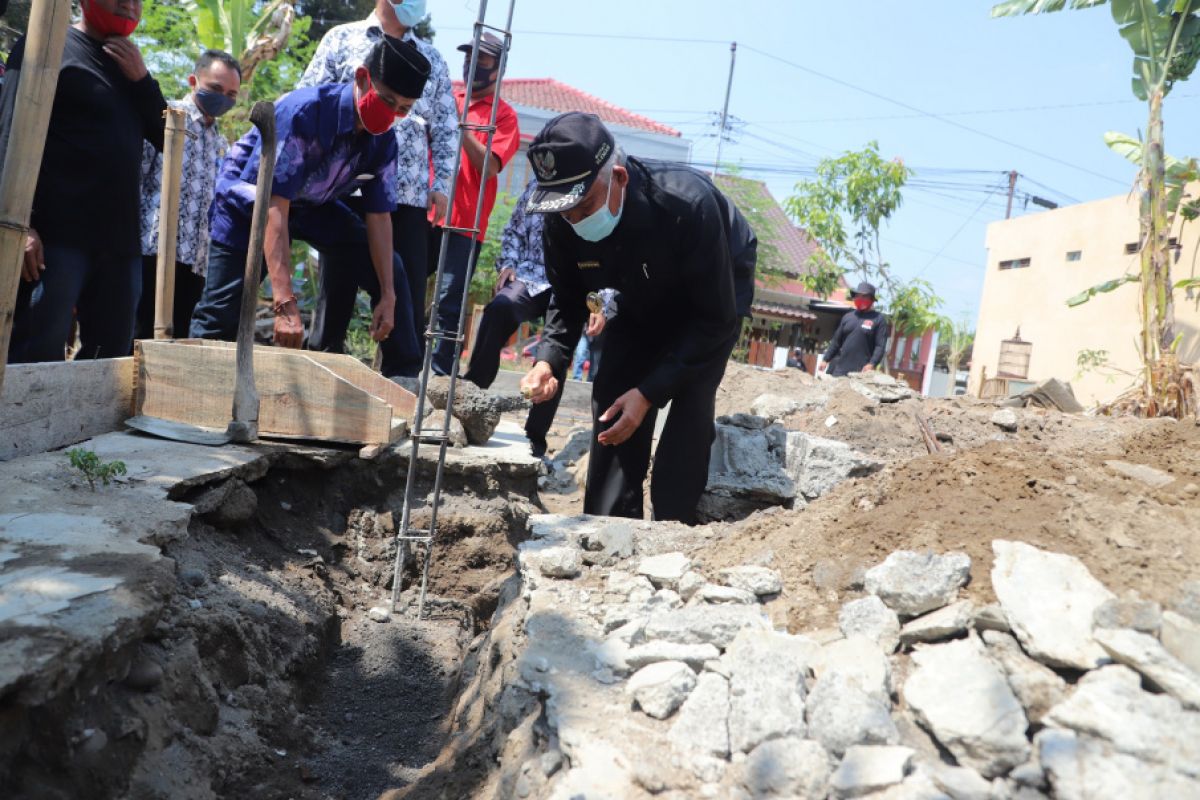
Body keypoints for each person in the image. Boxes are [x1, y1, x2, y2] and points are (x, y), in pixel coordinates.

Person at [519, 113, 757, 524]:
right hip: (640, 292)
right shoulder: (562, 219)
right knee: (612, 395)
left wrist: (648, 394)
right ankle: (607, 526)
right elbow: (568, 297)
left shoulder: (686, 204)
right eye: (565, 211)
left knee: (691, 398)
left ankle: (673, 524)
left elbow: (713, 322)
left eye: (584, 205)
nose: (574, 219)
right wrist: (548, 359)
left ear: (619, 179)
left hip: (712, 292)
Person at [190, 36, 429, 379]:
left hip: (314, 205)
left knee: (389, 265)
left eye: (403, 109)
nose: (392, 114)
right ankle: (195, 383)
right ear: (362, 79)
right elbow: (274, 207)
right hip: (251, 201)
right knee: (221, 312)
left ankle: (402, 377)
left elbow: (379, 216)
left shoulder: (384, 140)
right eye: (387, 100)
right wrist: (285, 303)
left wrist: (388, 296)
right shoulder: (305, 112)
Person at [2, 0, 167, 362]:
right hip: (56, 241)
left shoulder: (131, 66)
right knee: (36, 354)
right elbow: (7, 130)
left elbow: (167, 136)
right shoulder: (46, 44)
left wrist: (142, 82)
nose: (129, 6)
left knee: (110, 361)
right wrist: (22, 225)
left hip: (120, 244)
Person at [298, 0, 455, 351]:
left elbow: (446, 128)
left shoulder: (431, 58)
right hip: (345, 189)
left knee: (405, 297)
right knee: (336, 293)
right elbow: (308, 98)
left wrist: (442, 184)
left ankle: (400, 380)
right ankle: (323, 366)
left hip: (408, 196)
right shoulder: (342, 39)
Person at [461, 178, 612, 457]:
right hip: (531, 275)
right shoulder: (533, 188)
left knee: (557, 349)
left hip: (573, 282)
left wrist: (601, 299)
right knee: (499, 308)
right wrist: (508, 263)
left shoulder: (593, 190)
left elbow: (607, 253)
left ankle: (535, 436)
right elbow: (514, 231)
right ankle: (471, 396)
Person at [427, 32, 519, 375]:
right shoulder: (448, 95)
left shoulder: (504, 117)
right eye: (469, 58)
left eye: (481, 60)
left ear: (498, 69)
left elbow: (490, 165)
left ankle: (438, 378)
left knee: (449, 303)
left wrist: (461, 126)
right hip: (425, 213)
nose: (471, 65)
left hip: (465, 223)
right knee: (402, 286)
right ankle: (399, 367)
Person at [136, 49, 241, 341]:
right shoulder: (165, 118)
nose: (224, 98)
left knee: (180, 342)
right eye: (216, 89)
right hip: (153, 251)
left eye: (232, 94)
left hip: (195, 260)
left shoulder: (220, 143)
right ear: (193, 80)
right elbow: (137, 179)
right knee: (139, 339)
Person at [819, 281, 889, 376]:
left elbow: (880, 346)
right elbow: (836, 341)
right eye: (857, 296)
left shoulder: (878, 319)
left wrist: (872, 364)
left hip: (860, 372)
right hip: (839, 369)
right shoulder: (847, 317)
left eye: (864, 296)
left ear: (872, 299)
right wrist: (825, 359)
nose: (860, 299)